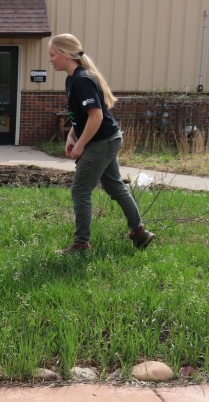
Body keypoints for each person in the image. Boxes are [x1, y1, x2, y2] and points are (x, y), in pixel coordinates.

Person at [48, 33, 156, 253]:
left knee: (80, 190)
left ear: (66, 54)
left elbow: (96, 117)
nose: (50, 60)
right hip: (107, 139)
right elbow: (81, 115)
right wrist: (72, 135)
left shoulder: (82, 79)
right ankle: (140, 233)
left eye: (52, 55)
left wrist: (80, 146)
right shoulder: (72, 79)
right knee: (114, 186)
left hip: (103, 141)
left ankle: (81, 244)